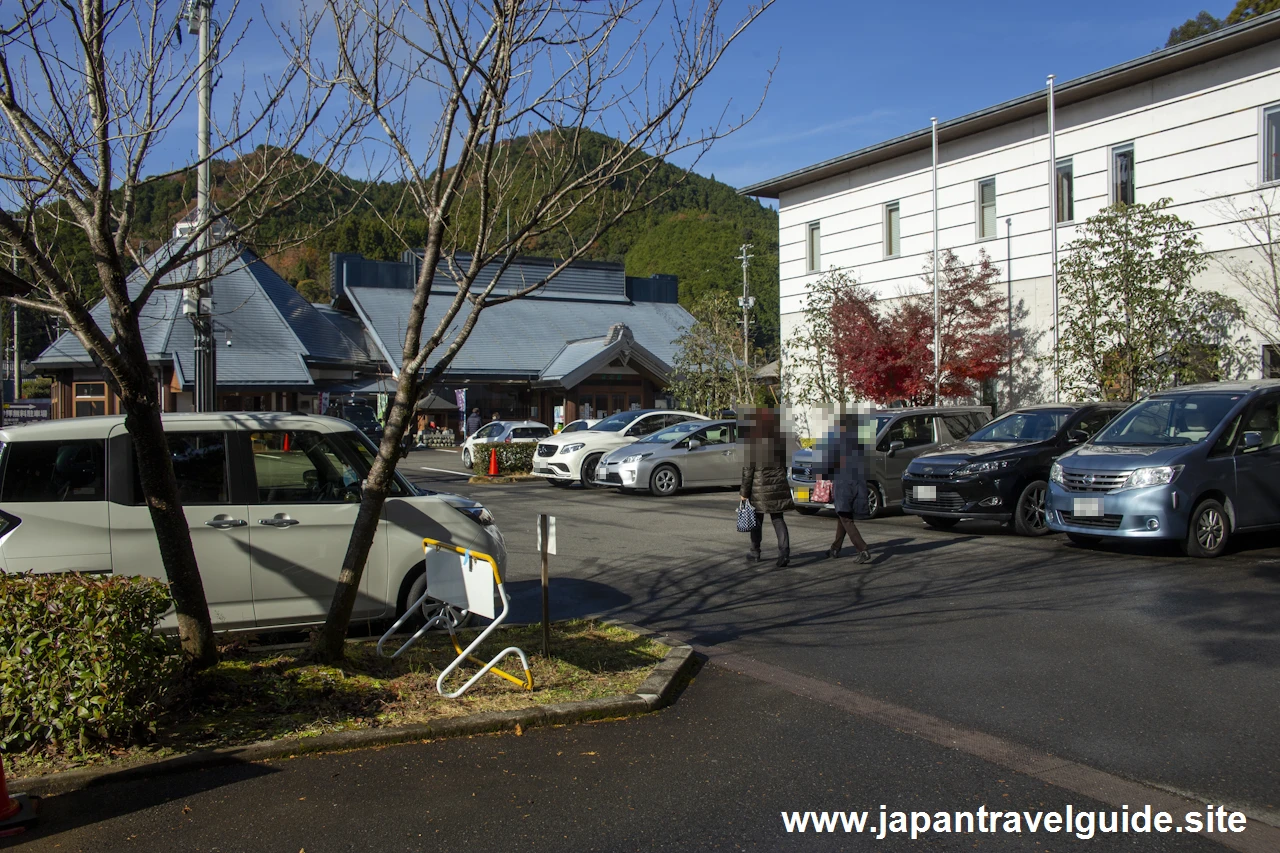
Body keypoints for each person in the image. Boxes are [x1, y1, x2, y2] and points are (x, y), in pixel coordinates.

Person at [739, 406, 794, 567]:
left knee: (756, 520)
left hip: (759, 488)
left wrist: (744, 492)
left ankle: (755, 552)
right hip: (777, 486)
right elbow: (785, 464)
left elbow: (748, 471)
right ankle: (784, 552)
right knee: (778, 519)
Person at [821, 409, 872, 563]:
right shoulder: (860, 439)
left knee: (845, 518)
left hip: (843, 482)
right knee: (843, 515)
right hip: (857, 481)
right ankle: (835, 548)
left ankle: (862, 549)